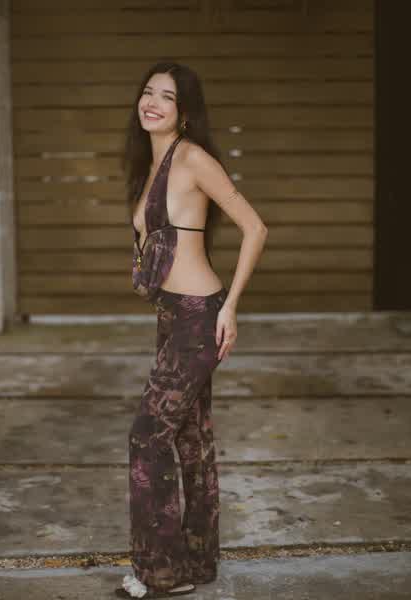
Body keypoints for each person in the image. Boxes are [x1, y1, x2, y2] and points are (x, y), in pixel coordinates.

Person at [115, 61, 268, 599]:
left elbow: (255, 227)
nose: (152, 102)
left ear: (184, 111)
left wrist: (231, 309)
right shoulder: (153, 163)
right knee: (190, 439)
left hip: (200, 317)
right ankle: (197, 562)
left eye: (167, 96)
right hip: (172, 314)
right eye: (147, 92)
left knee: (147, 434)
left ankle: (162, 573)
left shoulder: (194, 158)